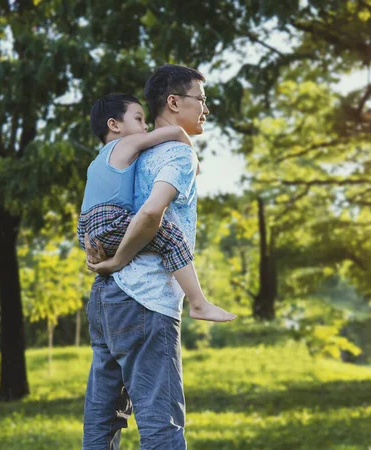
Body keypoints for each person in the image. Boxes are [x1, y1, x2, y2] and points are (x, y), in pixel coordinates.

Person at [82, 65, 223, 449]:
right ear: (175, 102)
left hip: (104, 297)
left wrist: (105, 258)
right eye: (202, 100)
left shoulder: (129, 150)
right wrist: (117, 258)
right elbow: (149, 214)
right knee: (161, 424)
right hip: (145, 300)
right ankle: (200, 302)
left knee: (101, 420)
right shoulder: (176, 152)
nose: (207, 109)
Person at [78, 93, 235, 323]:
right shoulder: (126, 143)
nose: (146, 126)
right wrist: (194, 160)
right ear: (114, 125)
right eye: (139, 119)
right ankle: (199, 303)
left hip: (86, 229)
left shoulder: (97, 160)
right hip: (110, 220)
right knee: (171, 237)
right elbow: (176, 132)